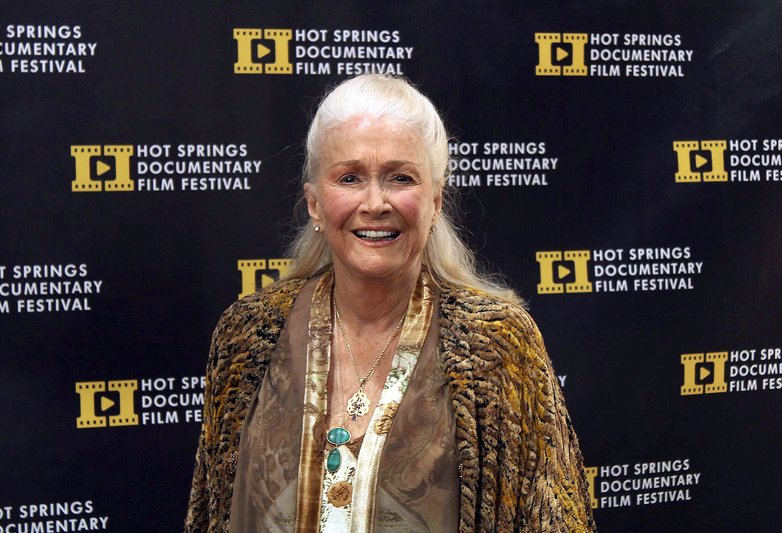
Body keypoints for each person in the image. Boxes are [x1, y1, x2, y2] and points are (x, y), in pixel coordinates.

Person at [185, 74, 595, 532]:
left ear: (435, 201)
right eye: (350, 178)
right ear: (315, 203)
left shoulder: (495, 344)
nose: (375, 202)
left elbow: (553, 519)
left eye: (400, 178)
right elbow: (211, 510)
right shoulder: (247, 335)